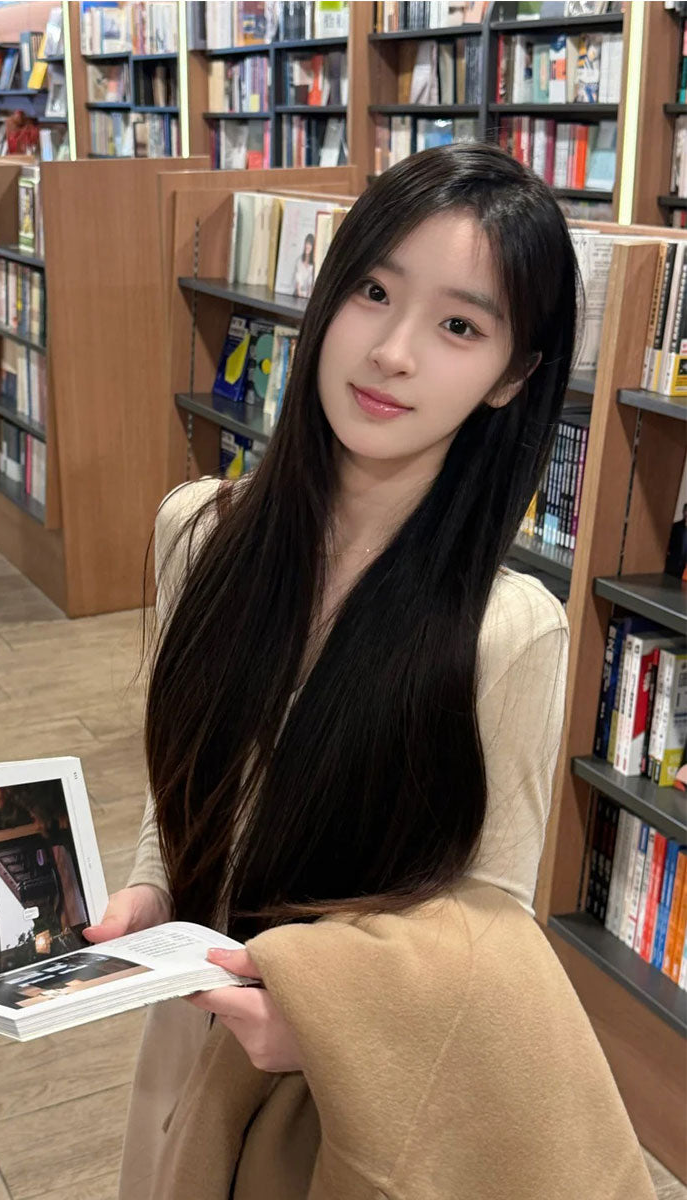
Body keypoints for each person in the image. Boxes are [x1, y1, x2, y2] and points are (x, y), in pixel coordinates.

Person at [87, 144, 580, 1195]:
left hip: (347, 1096)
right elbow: (189, 784)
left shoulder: (508, 630)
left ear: (513, 378)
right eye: (373, 292)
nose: (392, 353)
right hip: (185, 1025)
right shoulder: (197, 534)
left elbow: (490, 922)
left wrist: (322, 1021)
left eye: (460, 326)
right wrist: (150, 886)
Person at [292, 231, 315, 299]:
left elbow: (311, 282)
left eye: (310, 244)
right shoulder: (299, 261)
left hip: (308, 296)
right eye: (306, 243)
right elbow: (298, 278)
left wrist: (308, 294)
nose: (307, 246)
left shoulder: (313, 264)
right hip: (297, 294)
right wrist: (299, 292)